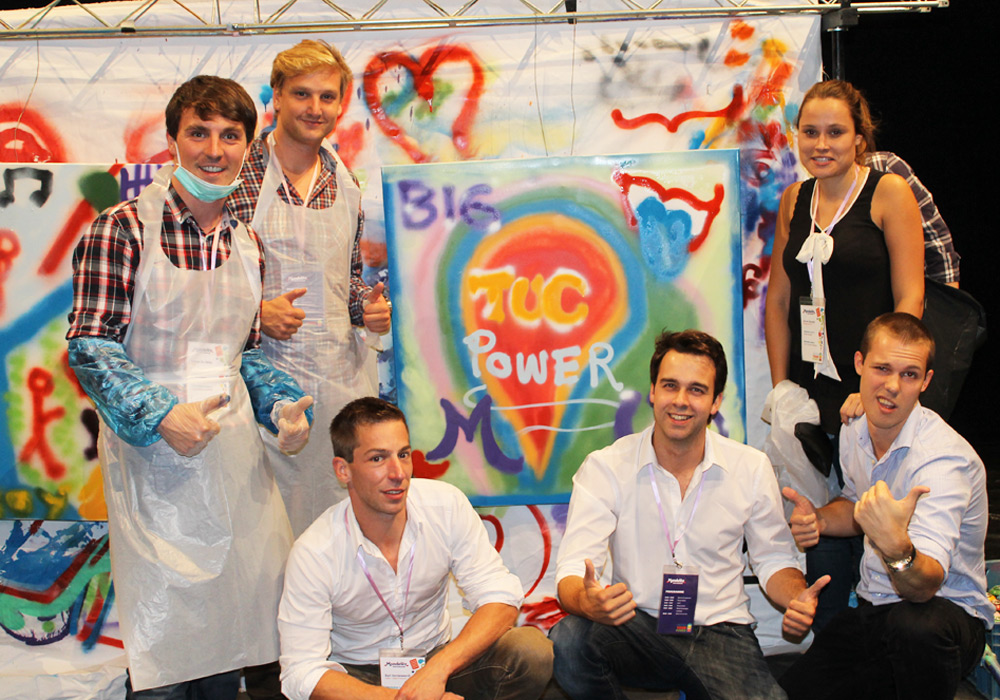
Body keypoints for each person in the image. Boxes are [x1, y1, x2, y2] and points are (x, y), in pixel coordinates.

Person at [66, 76, 313, 699]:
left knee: (239, 629)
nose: (214, 149)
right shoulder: (121, 229)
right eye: (199, 132)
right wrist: (159, 414)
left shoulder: (248, 243)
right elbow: (91, 344)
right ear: (172, 139)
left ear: (247, 146)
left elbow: (242, 354)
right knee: (166, 639)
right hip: (155, 465)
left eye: (230, 136)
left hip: (236, 464)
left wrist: (281, 405)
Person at [550, 329, 826, 700]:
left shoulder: (750, 467)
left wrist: (796, 597)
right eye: (670, 386)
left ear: (715, 402)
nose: (680, 401)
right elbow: (571, 569)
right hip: (637, 626)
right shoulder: (606, 467)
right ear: (652, 391)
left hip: (722, 630)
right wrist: (587, 602)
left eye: (696, 390)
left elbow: (774, 559)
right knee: (570, 639)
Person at [764, 80, 924, 630]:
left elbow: (910, 299)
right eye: (810, 132)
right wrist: (782, 388)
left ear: (859, 138)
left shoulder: (887, 193)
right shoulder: (794, 200)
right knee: (821, 524)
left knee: (876, 517)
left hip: (873, 397)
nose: (821, 143)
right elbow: (779, 299)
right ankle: (833, 644)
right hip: (812, 398)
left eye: (835, 131)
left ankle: (883, 642)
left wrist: (878, 386)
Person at [277, 397, 553, 700]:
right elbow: (300, 671)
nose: (398, 472)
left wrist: (439, 670)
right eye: (378, 459)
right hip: (356, 675)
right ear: (343, 470)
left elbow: (499, 596)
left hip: (434, 660)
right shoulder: (316, 551)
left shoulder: (445, 505)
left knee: (529, 652)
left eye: (403, 454)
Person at [779, 313, 990, 700]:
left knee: (916, 627)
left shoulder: (944, 460)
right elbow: (855, 505)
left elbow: (925, 586)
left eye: (909, 375)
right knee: (788, 693)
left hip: (946, 616)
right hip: (876, 608)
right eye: (882, 369)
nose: (892, 386)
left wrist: (895, 547)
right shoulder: (854, 428)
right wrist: (819, 519)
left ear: (925, 381)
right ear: (860, 363)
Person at [229, 39, 391, 538]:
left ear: (341, 105)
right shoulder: (236, 175)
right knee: (263, 531)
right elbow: (197, 286)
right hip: (258, 389)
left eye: (327, 97)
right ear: (276, 96)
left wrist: (367, 310)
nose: (314, 108)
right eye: (301, 94)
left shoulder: (346, 183)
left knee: (336, 531)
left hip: (339, 384)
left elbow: (346, 280)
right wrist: (257, 313)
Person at [865, 151, 960, 288]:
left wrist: (949, 297)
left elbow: (934, 240)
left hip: (891, 294)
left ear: (858, 140)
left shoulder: (882, 166)